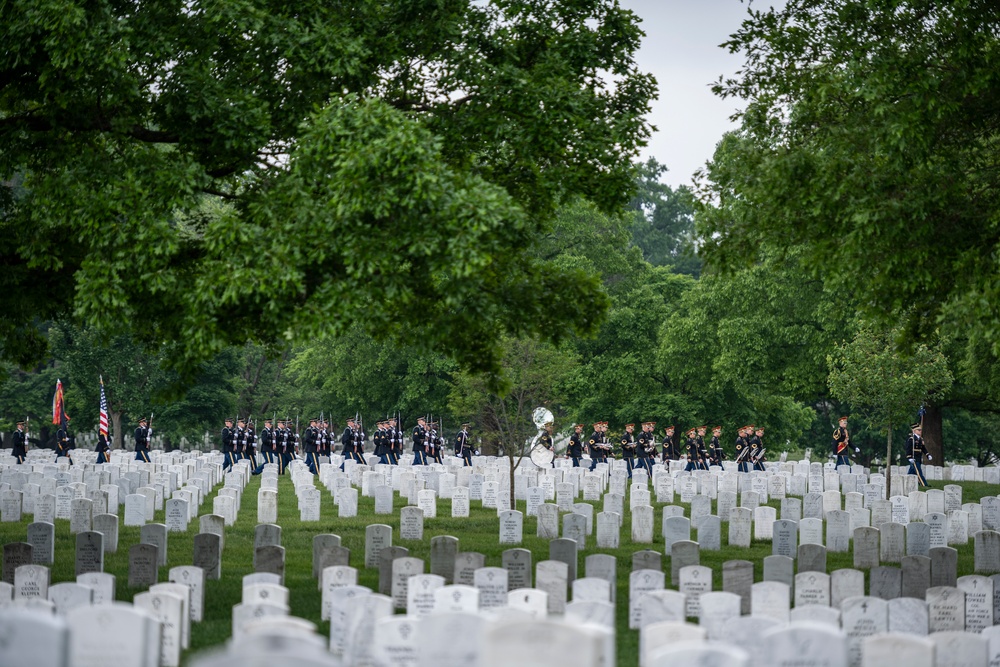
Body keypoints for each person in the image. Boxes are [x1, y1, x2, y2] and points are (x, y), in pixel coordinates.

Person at [906, 422, 931, 486]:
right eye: (918, 430)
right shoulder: (911, 439)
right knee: (918, 472)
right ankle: (924, 484)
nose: (920, 431)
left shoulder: (920, 439)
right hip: (914, 457)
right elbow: (908, 448)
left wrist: (927, 454)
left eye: (920, 430)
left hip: (918, 458)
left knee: (911, 472)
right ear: (914, 431)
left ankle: (906, 482)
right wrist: (909, 457)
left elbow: (923, 448)